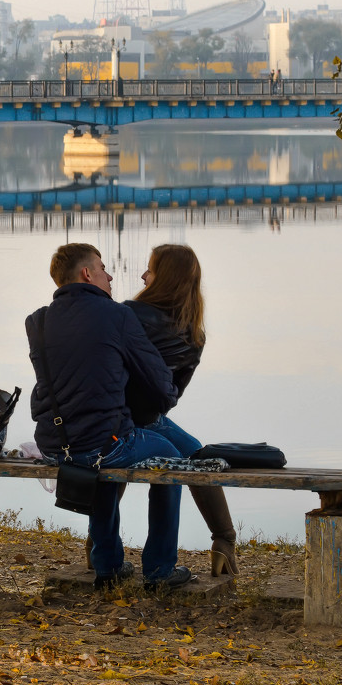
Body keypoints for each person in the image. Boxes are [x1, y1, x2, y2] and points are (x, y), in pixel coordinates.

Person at [25, 242, 193, 591]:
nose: (111, 275)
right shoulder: (117, 315)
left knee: (99, 451)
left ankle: (108, 567)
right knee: (173, 459)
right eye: (103, 268)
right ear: (87, 274)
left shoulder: (37, 321)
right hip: (101, 443)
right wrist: (167, 395)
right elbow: (158, 381)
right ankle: (160, 570)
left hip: (55, 444)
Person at [124, 243, 238, 577]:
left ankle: (99, 547)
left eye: (151, 269)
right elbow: (171, 396)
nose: (143, 275)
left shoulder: (127, 315)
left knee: (183, 458)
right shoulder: (194, 334)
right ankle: (224, 543)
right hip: (149, 418)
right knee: (198, 459)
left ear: (165, 278)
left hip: (116, 416)